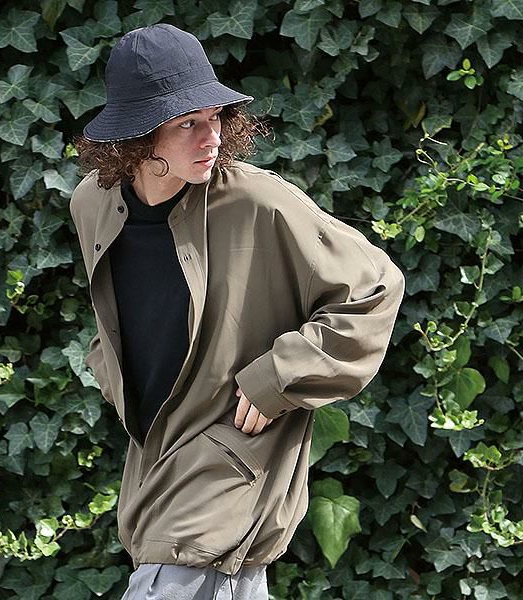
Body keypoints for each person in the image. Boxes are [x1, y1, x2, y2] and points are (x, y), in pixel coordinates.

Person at [69, 23, 405, 600]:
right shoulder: (93, 203)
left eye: (216, 117)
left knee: (170, 577)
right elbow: (116, 318)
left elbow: (375, 286)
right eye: (187, 124)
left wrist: (279, 376)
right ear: (138, 136)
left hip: (231, 452)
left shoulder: (256, 200)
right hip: (154, 454)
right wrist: (109, 371)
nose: (212, 137)